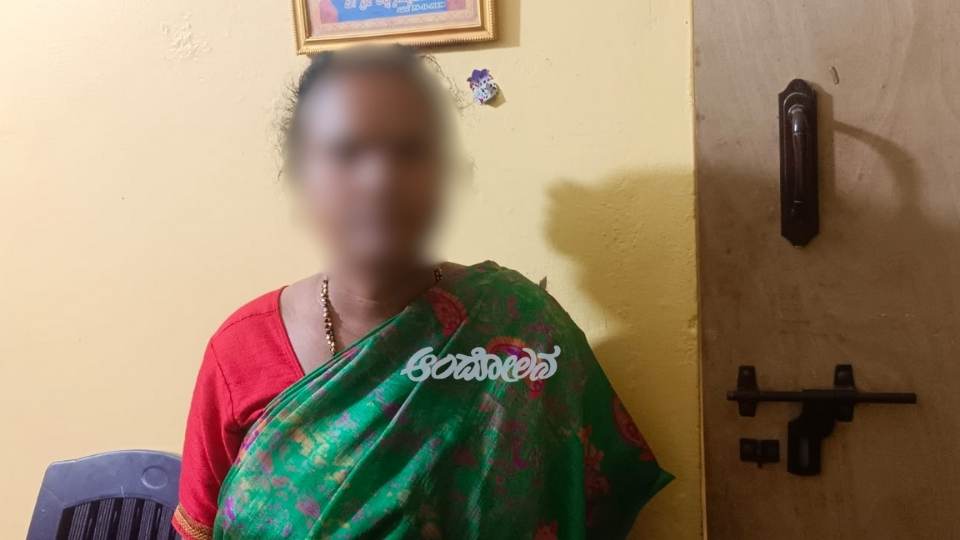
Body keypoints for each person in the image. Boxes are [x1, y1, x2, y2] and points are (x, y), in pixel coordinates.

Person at [173, 45, 671, 540]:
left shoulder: (521, 328)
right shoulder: (239, 353)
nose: (380, 180)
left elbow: (595, 499)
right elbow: (200, 530)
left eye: (410, 150)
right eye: (346, 152)